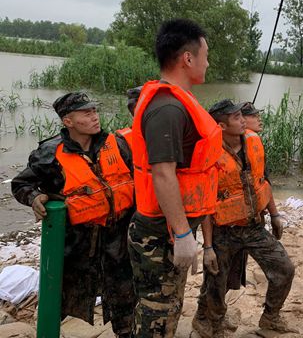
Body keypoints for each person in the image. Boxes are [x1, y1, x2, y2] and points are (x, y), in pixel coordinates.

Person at [11, 92, 136, 337]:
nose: (94, 117)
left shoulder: (117, 144)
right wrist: (34, 197)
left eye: (95, 111)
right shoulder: (50, 154)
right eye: (86, 113)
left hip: (118, 239)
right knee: (64, 296)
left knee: (124, 298)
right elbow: (20, 184)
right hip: (77, 244)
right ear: (68, 121)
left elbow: (137, 179)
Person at [127, 19, 222, 337]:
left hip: (170, 230)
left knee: (167, 310)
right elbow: (163, 173)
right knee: (157, 314)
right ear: (188, 58)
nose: (208, 63)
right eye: (206, 55)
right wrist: (182, 234)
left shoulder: (179, 101)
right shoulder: (167, 108)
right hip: (159, 235)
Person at [192, 99, 296, 338]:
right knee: (216, 282)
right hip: (223, 231)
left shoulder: (254, 142)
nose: (243, 121)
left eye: (242, 116)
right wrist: (207, 247)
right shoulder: (209, 153)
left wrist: (275, 214)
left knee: (285, 268)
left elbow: (262, 182)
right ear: (221, 126)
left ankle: (270, 317)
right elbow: (205, 205)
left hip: (254, 226)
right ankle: (214, 324)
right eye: (237, 117)